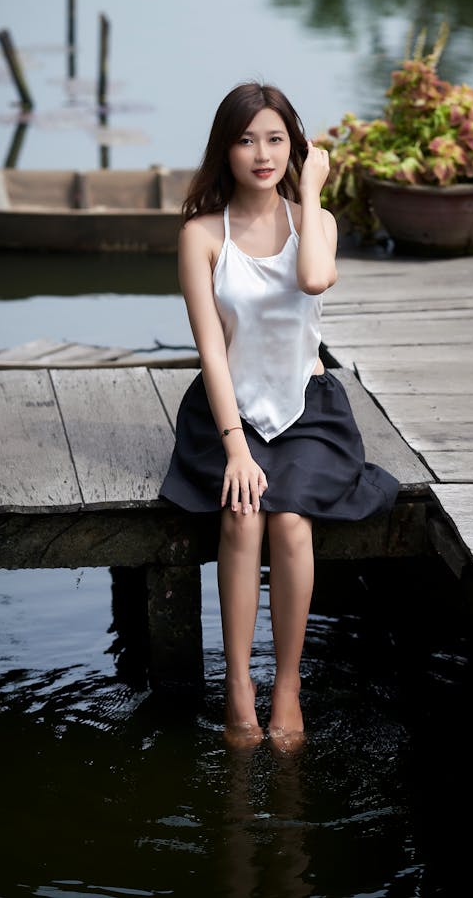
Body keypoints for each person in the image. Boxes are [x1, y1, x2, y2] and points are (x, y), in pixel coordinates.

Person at [160, 82, 398, 752]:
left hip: (307, 407)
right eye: (245, 139)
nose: (261, 154)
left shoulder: (313, 222)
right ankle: (239, 684)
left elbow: (315, 280)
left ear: (295, 144)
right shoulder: (202, 235)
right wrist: (234, 446)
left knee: (290, 519)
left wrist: (314, 189)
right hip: (226, 410)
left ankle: (287, 685)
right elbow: (210, 348)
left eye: (274, 138)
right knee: (243, 511)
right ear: (224, 150)